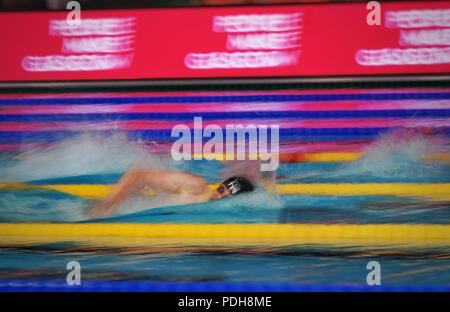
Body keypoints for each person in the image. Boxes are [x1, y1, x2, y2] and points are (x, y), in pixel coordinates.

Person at [86, 164, 255, 218]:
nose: (217, 196)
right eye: (220, 189)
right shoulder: (195, 185)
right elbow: (138, 174)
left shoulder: (218, 217)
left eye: (225, 197)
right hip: (116, 214)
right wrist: (107, 206)